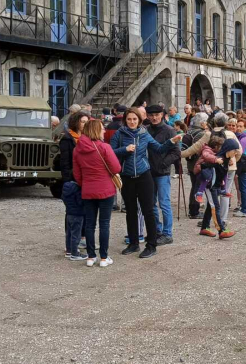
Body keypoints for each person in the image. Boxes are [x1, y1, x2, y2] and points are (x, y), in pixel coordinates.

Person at [111, 107, 180, 259]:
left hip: (144, 175)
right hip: (126, 176)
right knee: (130, 211)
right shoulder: (119, 134)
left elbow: (159, 148)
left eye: (134, 119)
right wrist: (125, 149)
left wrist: (171, 142)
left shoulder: (144, 134)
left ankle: (151, 245)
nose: (132, 122)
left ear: (140, 120)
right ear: (125, 120)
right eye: (129, 119)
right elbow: (110, 152)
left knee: (148, 210)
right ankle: (134, 243)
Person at [73, 119, 122, 268]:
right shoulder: (104, 147)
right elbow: (116, 168)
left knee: (89, 224)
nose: (104, 131)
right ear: (95, 130)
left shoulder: (78, 149)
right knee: (104, 224)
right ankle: (104, 257)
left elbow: (77, 174)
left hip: (88, 189)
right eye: (102, 129)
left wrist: (85, 183)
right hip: (105, 189)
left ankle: (90, 256)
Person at [145, 105, 180, 246]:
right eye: (151, 115)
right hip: (148, 172)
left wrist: (163, 164)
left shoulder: (169, 130)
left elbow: (176, 152)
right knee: (151, 204)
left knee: (164, 203)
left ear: (162, 115)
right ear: (147, 116)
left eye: (157, 114)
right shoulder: (146, 130)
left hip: (162, 173)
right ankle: (156, 231)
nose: (154, 117)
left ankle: (167, 233)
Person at [60, 111, 88, 255]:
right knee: (72, 213)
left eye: (86, 121)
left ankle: (82, 238)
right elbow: (64, 163)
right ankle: (69, 244)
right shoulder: (67, 139)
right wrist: (69, 180)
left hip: (85, 180)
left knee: (84, 211)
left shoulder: (87, 138)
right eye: (83, 121)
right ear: (76, 122)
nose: (85, 124)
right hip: (72, 180)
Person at [181, 112, 209, 219]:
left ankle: (193, 209)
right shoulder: (201, 134)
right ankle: (194, 211)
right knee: (198, 188)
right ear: (202, 123)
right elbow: (201, 150)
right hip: (198, 164)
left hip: (190, 164)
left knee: (195, 186)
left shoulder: (189, 132)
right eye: (206, 121)